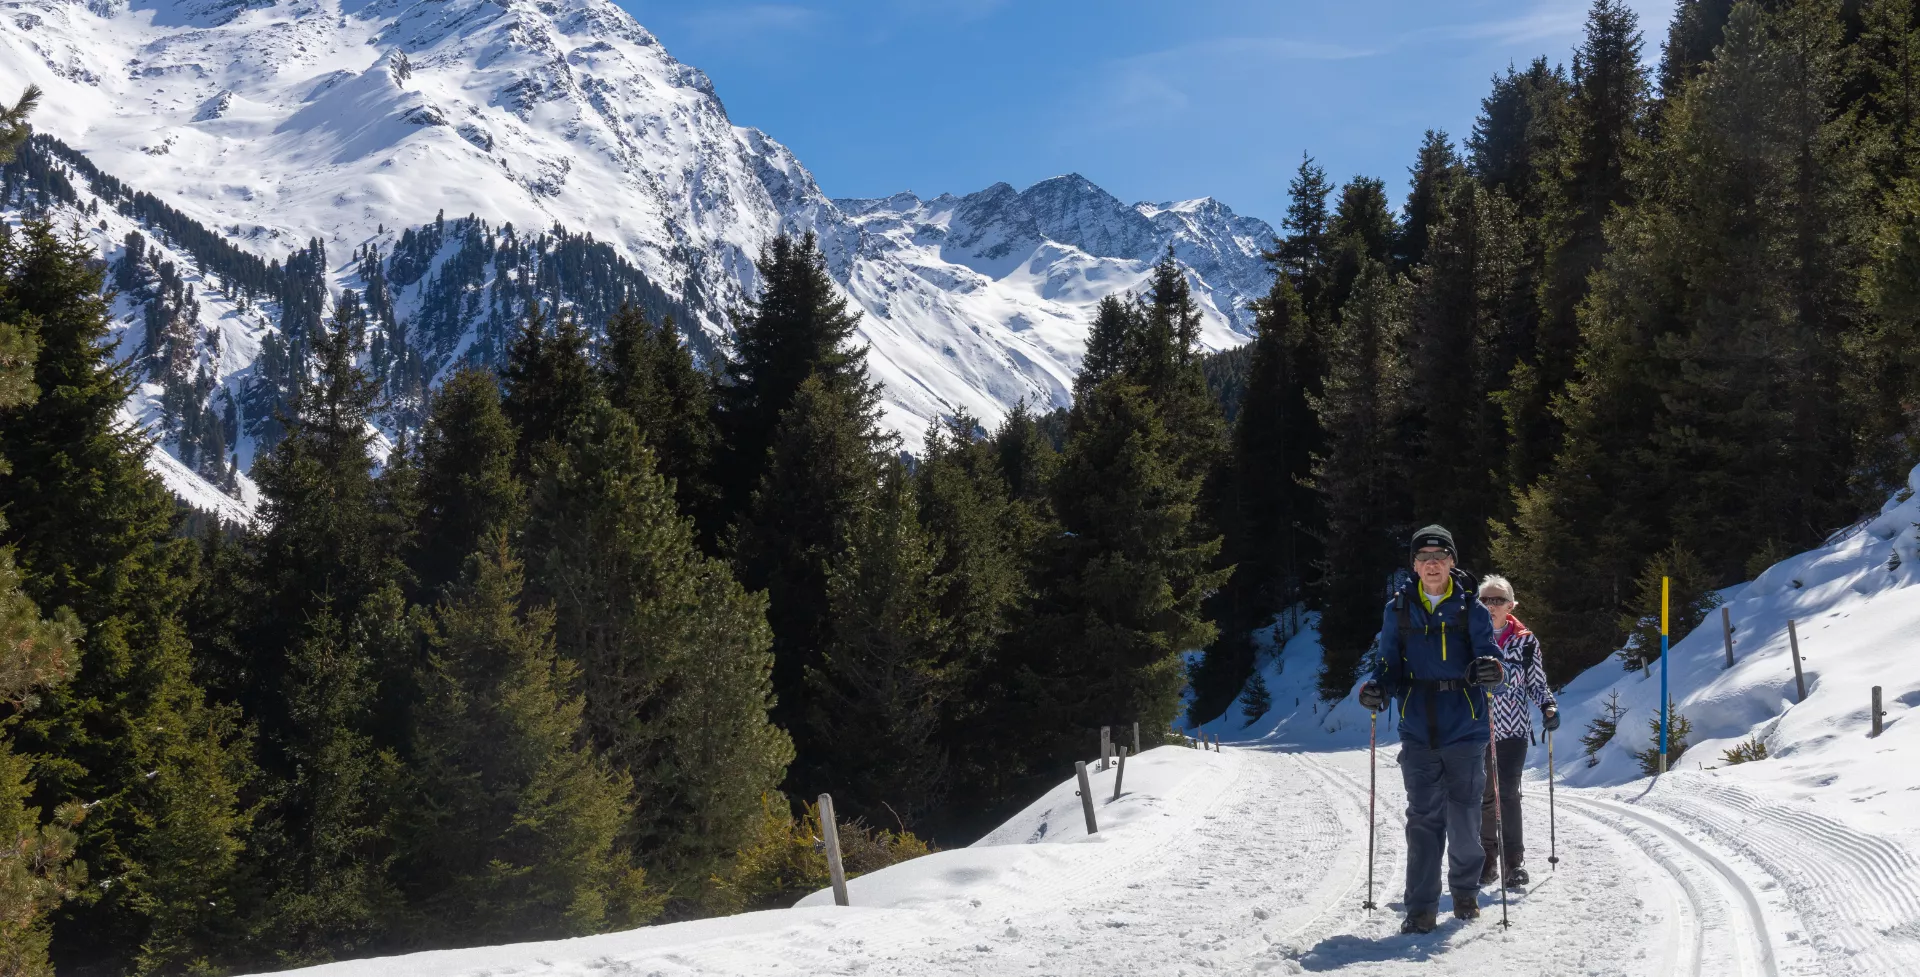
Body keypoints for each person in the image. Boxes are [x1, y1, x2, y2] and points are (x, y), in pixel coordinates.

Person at [1358, 525, 1504, 934]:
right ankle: (1420, 908)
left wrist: (1493, 671)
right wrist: (1376, 688)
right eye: (1424, 557)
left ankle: (1464, 893)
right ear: (1414, 566)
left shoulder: (1471, 609)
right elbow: (1387, 664)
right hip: (1418, 729)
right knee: (1422, 820)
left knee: (1464, 818)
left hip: (1466, 727)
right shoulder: (1398, 610)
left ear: (1452, 562)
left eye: (1440, 556)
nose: (1432, 563)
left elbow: (1490, 657)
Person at [1476, 574, 1559, 889]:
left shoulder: (1525, 639)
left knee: (1508, 794)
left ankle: (1515, 863)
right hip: (1476, 728)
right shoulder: (1470, 637)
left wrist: (1548, 707)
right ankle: (1487, 862)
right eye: (1486, 599)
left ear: (1511, 605)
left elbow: (1536, 682)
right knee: (1484, 797)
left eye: (1498, 600)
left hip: (1512, 730)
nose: (1491, 605)